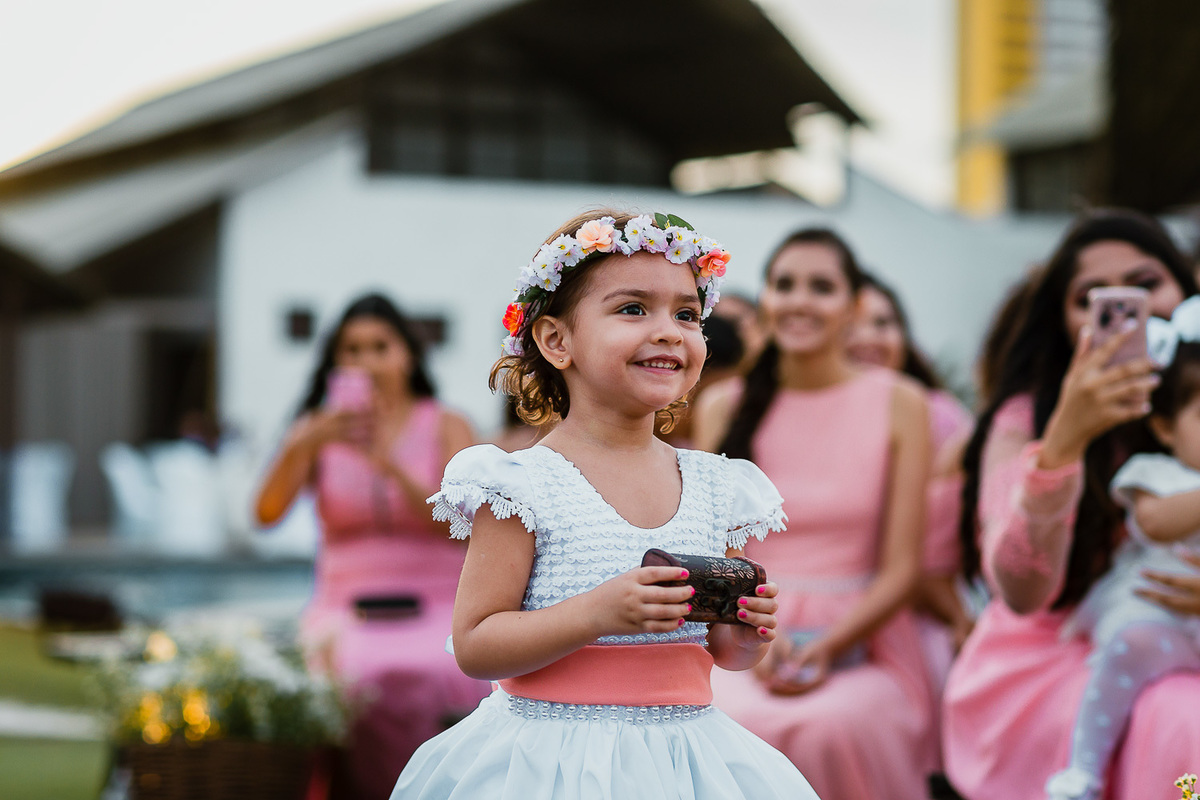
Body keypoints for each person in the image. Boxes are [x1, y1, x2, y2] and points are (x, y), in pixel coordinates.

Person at [391, 210, 820, 799]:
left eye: (687, 314)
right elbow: (476, 644)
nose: (669, 330)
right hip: (550, 759)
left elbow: (720, 650)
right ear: (556, 340)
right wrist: (597, 613)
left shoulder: (718, 485)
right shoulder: (522, 484)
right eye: (633, 308)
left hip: (683, 756)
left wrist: (745, 635)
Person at [944, 209, 1200, 800]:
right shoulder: (1024, 419)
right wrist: (1065, 440)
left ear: (1185, 291)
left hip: (1179, 626)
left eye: (1148, 283)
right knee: (1177, 712)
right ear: (1063, 321)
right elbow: (1021, 590)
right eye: (1094, 297)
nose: (1130, 306)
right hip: (1053, 657)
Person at [694, 228, 935, 800]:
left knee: (830, 726)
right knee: (730, 721)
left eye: (821, 287)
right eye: (784, 284)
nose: (799, 300)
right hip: (742, 628)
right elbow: (713, 553)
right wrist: (762, 643)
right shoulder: (722, 406)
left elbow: (903, 568)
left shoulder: (900, 402)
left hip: (865, 637)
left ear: (854, 307)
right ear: (766, 299)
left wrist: (826, 646)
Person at [254, 293, 489, 799]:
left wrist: (387, 461)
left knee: (438, 667)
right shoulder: (315, 432)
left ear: (407, 356)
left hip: (439, 599)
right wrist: (303, 443)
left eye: (379, 347)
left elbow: (468, 525)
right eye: (351, 350)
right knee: (355, 670)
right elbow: (265, 516)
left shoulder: (447, 423)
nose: (365, 362)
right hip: (345, 604)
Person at [1045, 295, 1200, 800]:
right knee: (1127, 652)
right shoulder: (1156, 475)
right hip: (1161, 622)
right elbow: (1155, 522)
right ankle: (1084, 769)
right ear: (1164, 427)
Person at [844, 272, 975, 772]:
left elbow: (939, 543)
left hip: (926, 606)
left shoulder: (941, 417)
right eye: (856, 325)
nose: (871, 338)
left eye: (885, 322)